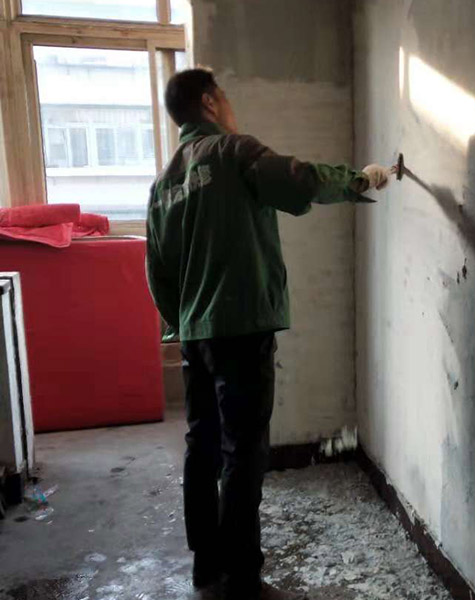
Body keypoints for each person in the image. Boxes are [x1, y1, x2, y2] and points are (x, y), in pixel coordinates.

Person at [146, 67, 393, 600]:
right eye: (226, 97)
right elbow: (299, 179)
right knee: (243, 454)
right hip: (240, 329)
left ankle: (207, 568)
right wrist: (360, 179)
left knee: (202, 446)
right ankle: (242, 581)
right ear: (209, 102)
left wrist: (185, 322)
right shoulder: (233, 152)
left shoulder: (164, 183)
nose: (231, 107)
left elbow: (157, 272)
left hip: (195, 336)